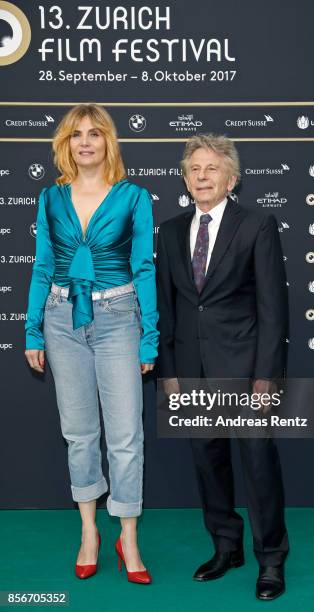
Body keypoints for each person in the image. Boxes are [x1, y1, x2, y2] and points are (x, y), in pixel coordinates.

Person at [25, 104, 158, 583]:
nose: (85, 142)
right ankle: (88, 531)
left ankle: (129, 538)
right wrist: (32, 329)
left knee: (125, 437)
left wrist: (149, 339)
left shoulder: (134, 197)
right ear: (66, 143)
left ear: (108, 143)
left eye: (94, 134)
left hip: (119, 318)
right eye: (77, 134)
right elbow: (42, 265)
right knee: (79, 432)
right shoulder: (50, 198)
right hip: (61, 319)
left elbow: (144, 269)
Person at [156, 134, 289, 600]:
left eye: (211, 168)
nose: (201, 176)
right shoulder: (170, 231)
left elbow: (274, 309)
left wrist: (267, 377)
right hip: (191, 370)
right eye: (193, 169)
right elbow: (168, 310)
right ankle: (226, 547)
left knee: (258, 466)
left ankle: (270, 559)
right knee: (208, 465)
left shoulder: (257, 225)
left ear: (231, 179)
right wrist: (169, 372)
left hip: (246, 369)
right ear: (185, 179)